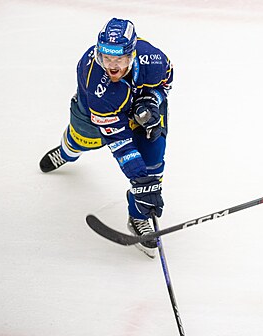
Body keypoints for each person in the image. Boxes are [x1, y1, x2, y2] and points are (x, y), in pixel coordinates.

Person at [39, 18, 173, 259]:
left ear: (132, 54)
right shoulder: (96, 83)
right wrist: (139, 179)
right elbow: (120, 142)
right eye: (106, 58)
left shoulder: (154, 59)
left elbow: (165, 83)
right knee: (79, 141)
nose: (111, 66)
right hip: (95, 112)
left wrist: (151, 100)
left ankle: (138, 216)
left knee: (153, 160)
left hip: (141, 107)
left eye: (119, 59)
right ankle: (67, 151)